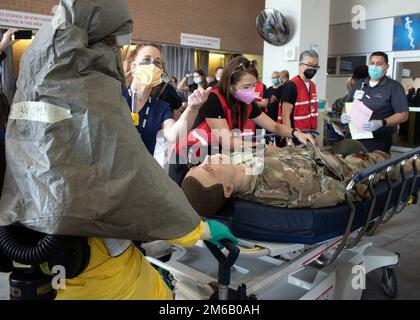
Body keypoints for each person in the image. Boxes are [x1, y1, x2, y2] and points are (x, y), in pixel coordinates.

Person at [0, 0, 237, 300]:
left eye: (159, 62)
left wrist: (190, 111)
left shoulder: (42, 69)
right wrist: (196, 228)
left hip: (47, 229)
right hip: (92, 249)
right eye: (119, 40)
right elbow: (129, 170)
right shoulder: (91, 84)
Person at [168, 56, 316, 185]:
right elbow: (228, 142)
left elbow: (274, 126)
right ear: (230, 84)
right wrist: (265, 149)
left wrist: (296, 133)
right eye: (246, 86)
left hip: (214, 159)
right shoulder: (213, 98)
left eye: (253, 86)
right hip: (187, 158)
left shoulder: (246, 101)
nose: (251, 91)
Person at [181, 140, 390, 217]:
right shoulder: (289, 188)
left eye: (199, 164)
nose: (207, 157)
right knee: (383, 159)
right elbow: (347, 189)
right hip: (339, 167)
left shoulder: (233, 164)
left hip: (310, 152)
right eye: (209, 169)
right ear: (227, 189)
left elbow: (267, 151)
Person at [122, 43, 209, 156]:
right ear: (133, 67)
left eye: (157, 62)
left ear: (161, 72)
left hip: (140, 170)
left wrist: (192, 109)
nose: (152, 65)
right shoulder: (117, 94)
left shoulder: (160, 107)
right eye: (147, 59)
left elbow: (174, 135)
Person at [341, 52, 409, 153]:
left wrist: (382, 122)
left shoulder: (394, 87)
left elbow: (403, 115)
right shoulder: (360, 84)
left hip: (378, 141)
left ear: (386, 66)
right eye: (372, 63)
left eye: (379, 63)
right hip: (354, 137)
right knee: (351, 166)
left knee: (372, 168)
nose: (374, 66)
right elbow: (348, 104)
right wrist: (344, 114)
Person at [279, 50, 320, 134]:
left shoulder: (312, 85)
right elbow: (285, 116)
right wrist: (289, 139)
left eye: (315, 66)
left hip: (309, 133)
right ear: (300, 65)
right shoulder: (291, 85)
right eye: (309, 65)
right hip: (295, 135)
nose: (312, 69)